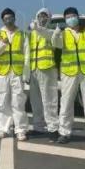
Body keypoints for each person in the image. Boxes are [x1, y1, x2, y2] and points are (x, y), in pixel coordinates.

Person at [51, 7, 85, 145]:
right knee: (66, 103)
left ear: (78, 17)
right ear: (65, 20)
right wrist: (56, 35)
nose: (71, 19)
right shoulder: (63, 33)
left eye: (73, 16)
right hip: (69, 72)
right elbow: (55, 45)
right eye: (68, 17)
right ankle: (64, 132)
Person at [0, 8, 29, 141]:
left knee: (18, 101)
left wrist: (26, 73)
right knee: (2, 101)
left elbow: (26, 55)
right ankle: (3, 129)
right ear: (2, 20)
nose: (8, 20)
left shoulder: (23, 34)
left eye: (11, 18)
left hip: (17, 72)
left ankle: (20, 129)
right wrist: (2, 44)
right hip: (3, 72)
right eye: (6, 18)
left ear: (15, 18)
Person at [26, 8, 60, 140]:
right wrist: (26, 72)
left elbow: (51, 38)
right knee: (36, 101)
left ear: (49, 19)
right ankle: (38, 126)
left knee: (49, 100)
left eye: (45, 16)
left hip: (47, 69)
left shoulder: (53, 32)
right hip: (34, 70)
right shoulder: (32, 33)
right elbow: (28, 52)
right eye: (40, 16)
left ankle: (53, 129)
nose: (42, 18)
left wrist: (37, 28)